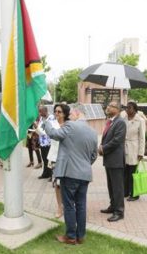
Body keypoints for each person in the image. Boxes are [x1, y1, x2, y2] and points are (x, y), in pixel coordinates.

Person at [44, 104, 98, 245]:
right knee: (81, 205)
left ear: (77, 112)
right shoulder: (93, 132)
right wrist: (84, 165)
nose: (69, 116)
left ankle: (70, 236)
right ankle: (80, 236)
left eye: (71, 114)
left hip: (70, 174)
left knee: (68, 205)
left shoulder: (70, 126)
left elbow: (54, 134)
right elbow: (94, 156)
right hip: (85, 174)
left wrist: (46, 122)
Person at [36, 104, 69, 218]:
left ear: (65, 113)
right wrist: (37, 126)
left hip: (68, 158)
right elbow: (44, 132)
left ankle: (68, 205)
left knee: (67, 184)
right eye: (55, 111)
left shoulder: (69, 125)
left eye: (59, 112)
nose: (56, 114)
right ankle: (60, 207)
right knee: (57, 184)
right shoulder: (52, 124)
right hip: (55, 157)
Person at [98, 101, 127, 222]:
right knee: (111, 186)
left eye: (111, 106)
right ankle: (113, 206)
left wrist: (103, 148)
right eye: (108, 105)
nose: (108, 107)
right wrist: (101, 145)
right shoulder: (111, 121)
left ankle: (119, 211)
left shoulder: (120, 122)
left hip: (116, 160)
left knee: (117, 187)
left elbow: (117, 140)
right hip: (109, 159)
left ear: (118, 109)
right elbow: (107, 137)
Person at [123, 101, 146, 201]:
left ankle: (135, 194)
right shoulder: (123, 119)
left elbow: (142, 138)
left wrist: (141, 152)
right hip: (124, 148)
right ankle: (126, 191)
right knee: (125, 171)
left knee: (133, 172)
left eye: (129, 108)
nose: (127, 110)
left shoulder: (140, 120)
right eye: (127, 108)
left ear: (135, 109)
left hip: (134, 148)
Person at [35, 106, 54, 179]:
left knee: (50, 159)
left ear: (45, 111)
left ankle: (52, 174)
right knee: (44, 159)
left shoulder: (51, 118)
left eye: (40, 111)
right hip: (42, 142)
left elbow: (45, 131)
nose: (39, 113)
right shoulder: (41, 119)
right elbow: (40, 129)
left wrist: (36, 127)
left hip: (49, 142)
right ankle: (45, 173)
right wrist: (36, 128)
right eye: (39, 111)